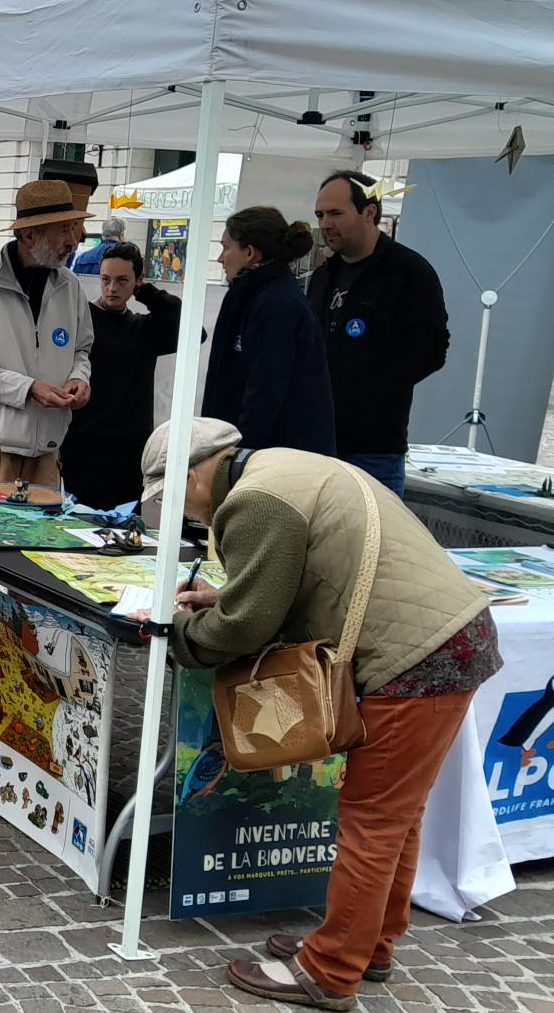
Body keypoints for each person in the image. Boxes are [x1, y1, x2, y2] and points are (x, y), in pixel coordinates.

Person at [144, 418, 498, 1011]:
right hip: (448, 642)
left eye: (176, 494)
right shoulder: (277, 468)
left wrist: (181, 632)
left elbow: (248, 626)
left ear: (196, 471)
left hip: (417, 656)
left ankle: (331, 970)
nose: (186, 512)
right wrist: (228, 598)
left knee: (373, 821)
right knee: (397, 816)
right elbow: (301, 575)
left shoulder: (255, 499)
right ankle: (372, 945)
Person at [308, 170, 449, 495]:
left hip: (373, 449)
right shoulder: (323, 276)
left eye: (336, 213)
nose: (325, 223)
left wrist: (368, 388)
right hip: (316, 443)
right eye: (320, 214)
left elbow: (431, 351)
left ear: (369, 212)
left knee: (373, 542)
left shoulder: (409, 272)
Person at [0, 179, 93, 485]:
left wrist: (80, 378)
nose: (73, 241)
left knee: (43, 534)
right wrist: (27, 388)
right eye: (63, 230)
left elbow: (82, 349)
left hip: (49, 454)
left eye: (73, 229)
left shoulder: (70, 286)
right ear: (30, 233)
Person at [202, 206, 337, 455]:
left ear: (250, 253)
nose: (221, 258)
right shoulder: (253, 295)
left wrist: (234, 458)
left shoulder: (276, 304)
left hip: (276, 459)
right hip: (262, 452)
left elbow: (264, 394)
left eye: (226, 247)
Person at [60, 242, 184, 507]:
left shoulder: (145, 329)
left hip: (130, 450)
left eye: (122, 280)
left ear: (137, 281)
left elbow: (190, 328)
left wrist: (147, 293)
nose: (112, 288)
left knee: (125, 535)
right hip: (83, 446)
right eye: (105, 279)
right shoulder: (83, 322)